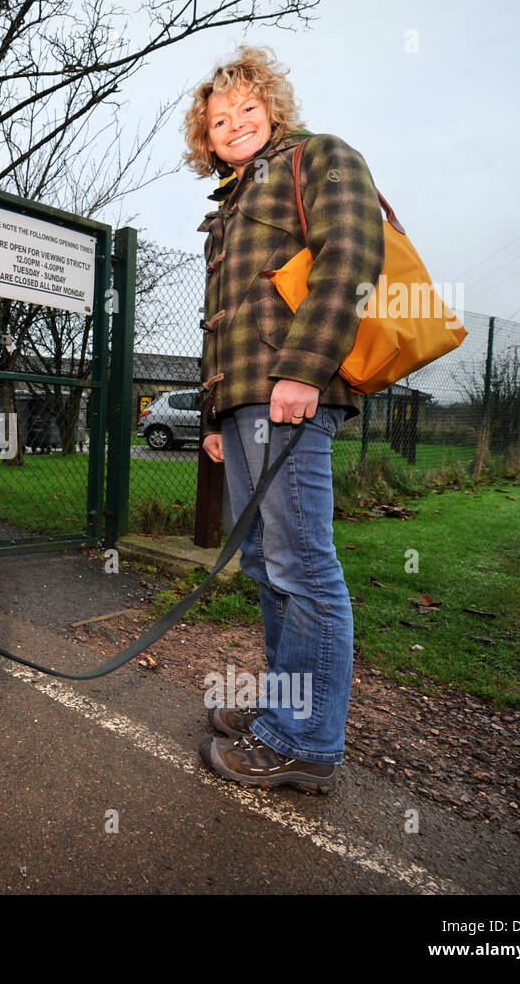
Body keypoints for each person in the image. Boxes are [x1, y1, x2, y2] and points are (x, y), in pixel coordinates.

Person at [185, 46, 384, 792]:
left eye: (246, 109)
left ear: (273, 110)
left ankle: (306, 742)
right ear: (206, 139)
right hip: (241, 402)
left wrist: (305, 366)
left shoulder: (320, 157)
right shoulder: (228, 205)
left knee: (303, 565)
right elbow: (221, 321)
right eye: (218, 119)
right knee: (267, 564)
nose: (233, 124)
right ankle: (284, 705)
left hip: (291, 392)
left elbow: (353, 255)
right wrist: (212, 410)